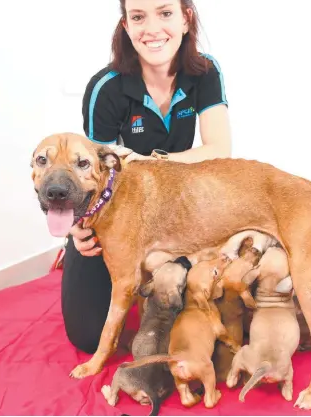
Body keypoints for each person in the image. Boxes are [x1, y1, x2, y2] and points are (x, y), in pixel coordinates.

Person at [61, 0, 232, 353]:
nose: (152, 28)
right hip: (114, 216)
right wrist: (77, 227)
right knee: (88, 337)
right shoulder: (104, 88)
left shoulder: (205, 70)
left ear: (186, 19)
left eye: (165, 12)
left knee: (207, 319)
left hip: (178, 209)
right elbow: (92, 176)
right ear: (126, 25)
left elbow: (219, 149)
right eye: (138, 17)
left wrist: (149, 161)